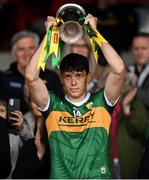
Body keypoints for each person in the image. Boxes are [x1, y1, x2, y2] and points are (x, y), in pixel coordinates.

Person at [25, 14, 125, 179]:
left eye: (78, 76)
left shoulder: (102, 101)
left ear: (88, 77)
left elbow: (119, 69)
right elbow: (30, 76)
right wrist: (49, 35)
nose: (73, 82)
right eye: (68, 76)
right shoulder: (52, 106)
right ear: (62, 79)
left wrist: (93, 32)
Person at [0, 30, 64, 114]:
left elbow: (60, 109)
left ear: (39, 51)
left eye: (31, 48)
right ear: (13, 53)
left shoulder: (51, 77)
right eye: (21, 49)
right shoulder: (4, 78)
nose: (27, 53)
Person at [108, 71, 148, 179]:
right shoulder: (103, 104)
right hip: (108, 163)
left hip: (128, 163)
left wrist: (126, 108)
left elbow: (139, 128)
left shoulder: (135, 103)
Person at [12, 101, 50, 179]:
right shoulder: (30, 144)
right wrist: (39, 154)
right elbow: (17, 176)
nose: (38, 105)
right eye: (34, 102)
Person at [127, 32, 149, 113]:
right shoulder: (126, 70)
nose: (139, 52)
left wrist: (132, 87)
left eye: (144, 48)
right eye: (136, 48)